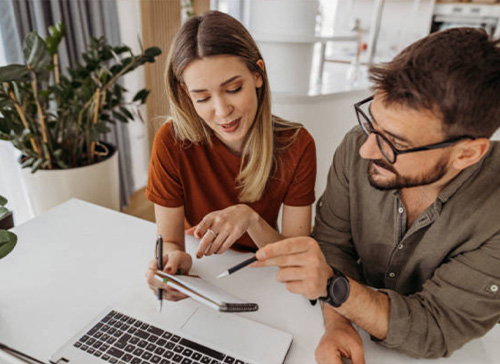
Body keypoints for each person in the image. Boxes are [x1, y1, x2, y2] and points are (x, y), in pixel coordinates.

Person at [252, 27, 500, 363]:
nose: (368, 149)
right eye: (373, 122)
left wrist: (334, 288)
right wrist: (338, 323)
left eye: (395, 143)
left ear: (467, 154)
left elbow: (437, 327)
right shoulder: (359, 145)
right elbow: (332, 245)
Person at [145, 10, 316, 302]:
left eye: (234, 89)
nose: (222, 112)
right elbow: (171, 240)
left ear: (257, 75)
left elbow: (296, 256)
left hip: (262, 274)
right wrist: (175, 264)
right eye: (202, 98)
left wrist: (250, 219)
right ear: (186, 95)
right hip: (203, 268)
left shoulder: (297, 145)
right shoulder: (171, 141)